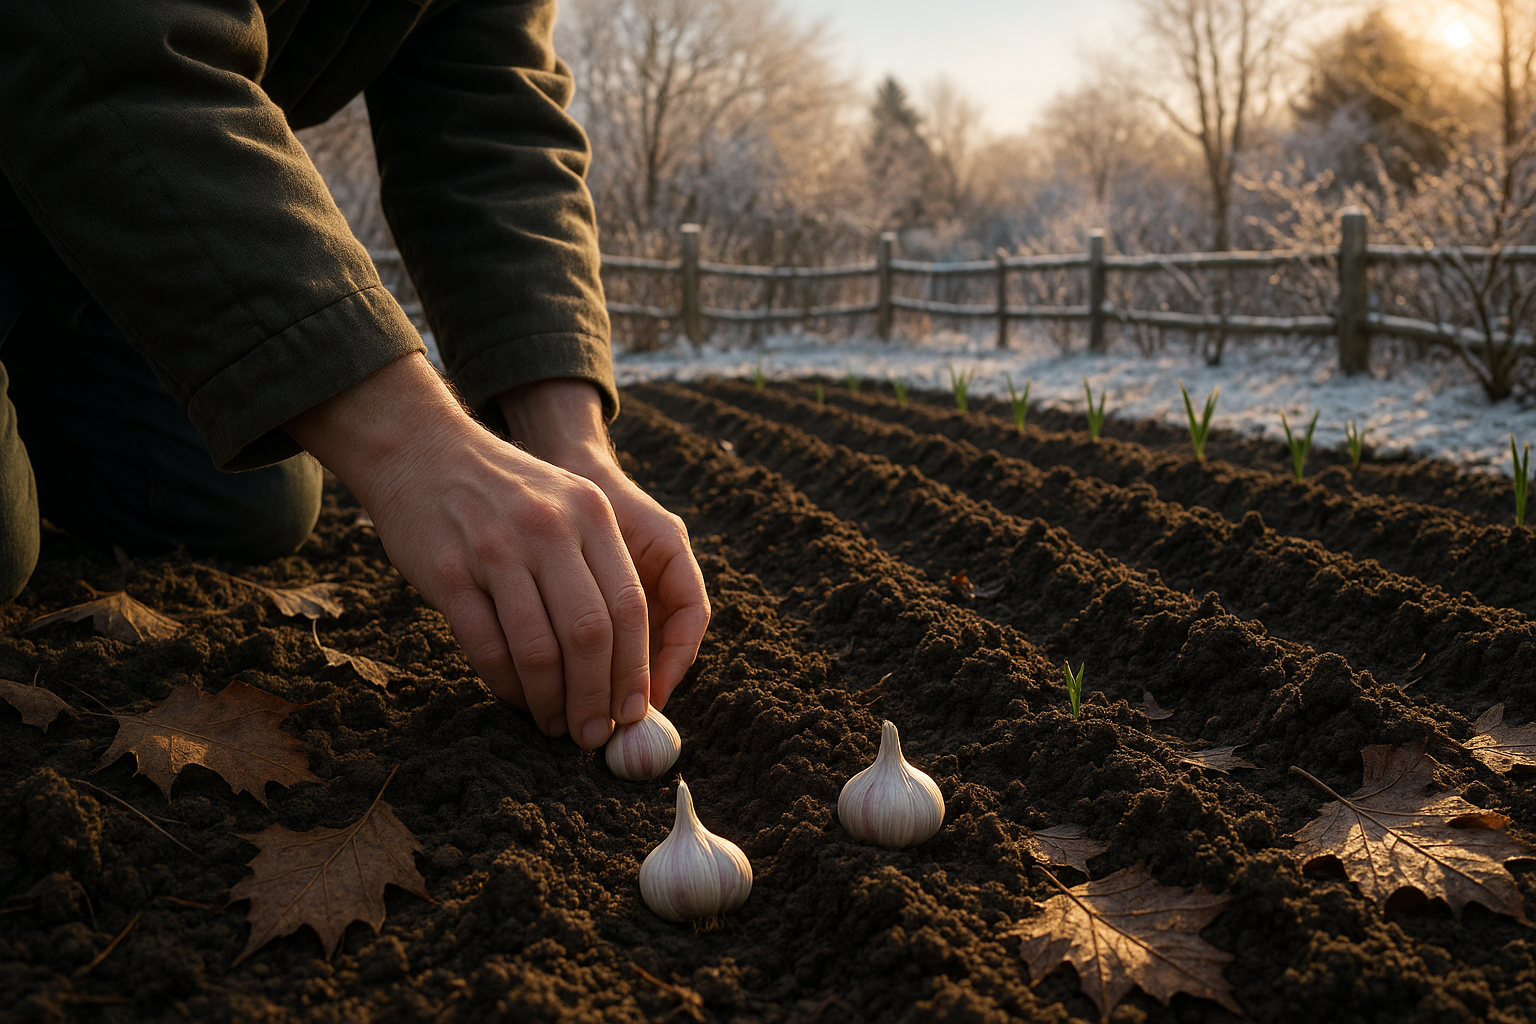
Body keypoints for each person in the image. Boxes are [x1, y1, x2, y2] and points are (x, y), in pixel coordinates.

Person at [0, 0, 711, 751]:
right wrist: (416, 446)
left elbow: (491, 116)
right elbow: (108, 35)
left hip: (98, 202)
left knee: (247, 497)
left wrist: (571, 444)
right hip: (68, 101)